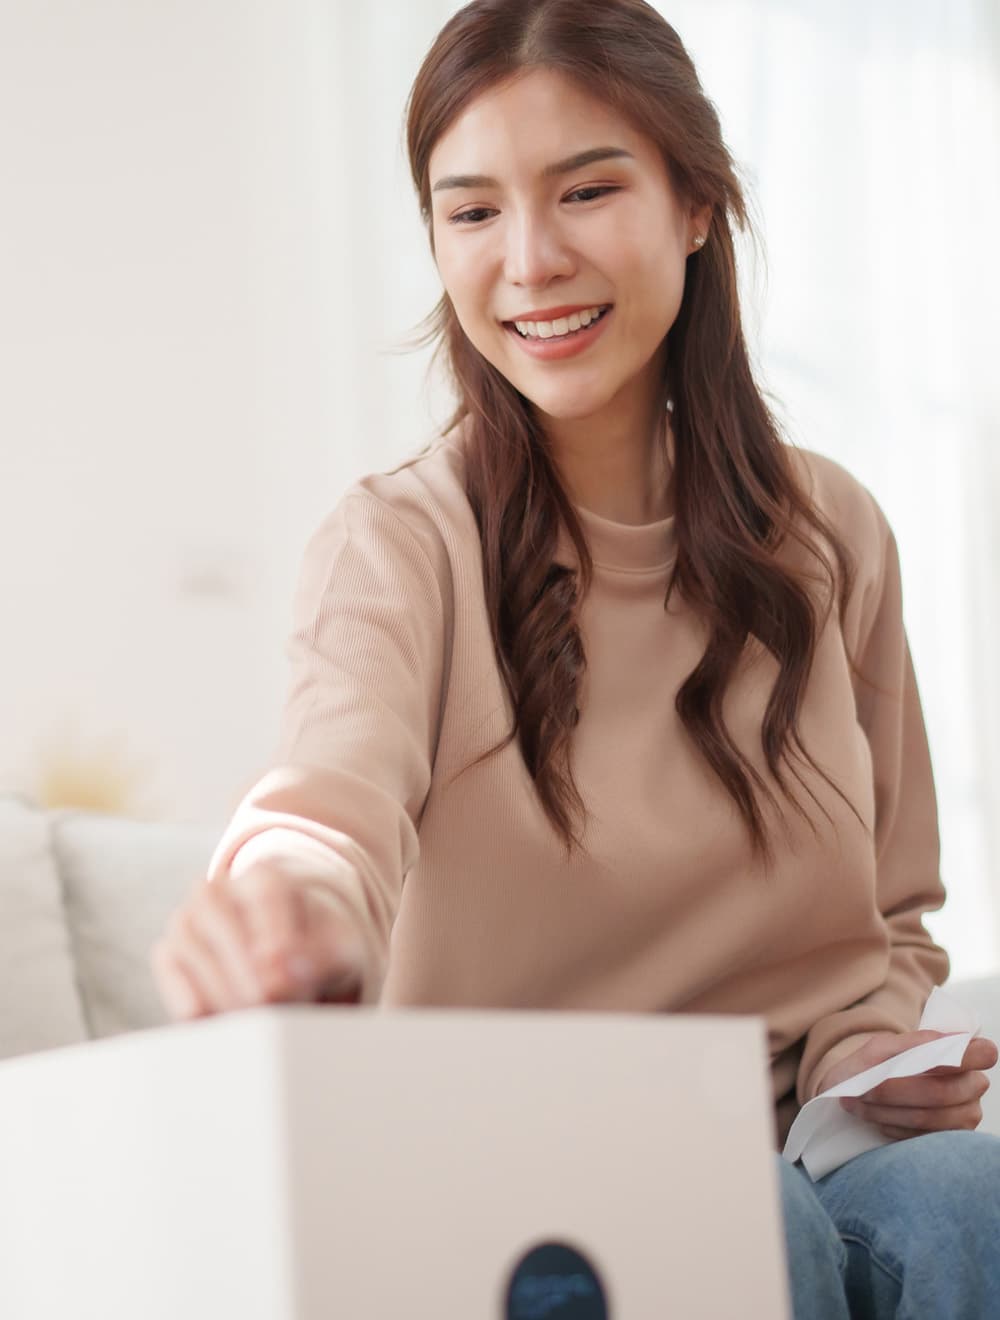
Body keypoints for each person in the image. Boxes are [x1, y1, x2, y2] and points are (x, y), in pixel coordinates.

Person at [151, 0, 1000, 1313]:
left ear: (697, 204)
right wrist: (285, 905)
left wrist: (875, 1051)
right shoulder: (402, 539)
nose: (530, 260)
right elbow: (333, 800)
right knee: (723, 1206)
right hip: (505, 1173)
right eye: (472, 211)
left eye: (587, 189)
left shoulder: (833, 532)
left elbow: (891, 915)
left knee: (967, 1200)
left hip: (802, 1150)